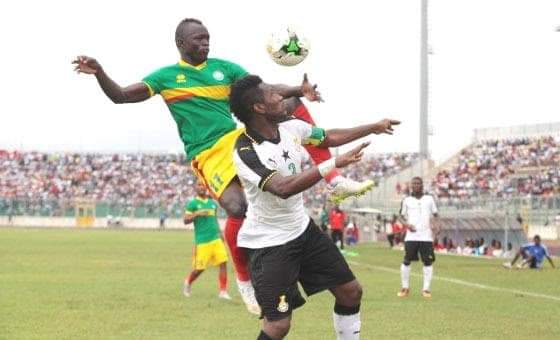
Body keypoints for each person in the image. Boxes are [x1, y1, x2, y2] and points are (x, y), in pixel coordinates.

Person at [73, 18, 373, 314]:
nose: (205, 43)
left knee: (291, 110)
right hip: (207, 152)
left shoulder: (224, 69)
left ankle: (333, 180)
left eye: (207, 39)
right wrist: (100, 72)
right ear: (181, 44)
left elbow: (264, 89)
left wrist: (297, 88)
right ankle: (244, 280)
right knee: (236, 207)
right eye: (198, 39)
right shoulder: (166, 77)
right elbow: (122, 96)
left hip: (238, 138)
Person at [229, 74, 400, 340]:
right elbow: (283, 188)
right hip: (269, 244)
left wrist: (373, 127)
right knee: (278, 326)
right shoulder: (246, 150)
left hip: (303, 231)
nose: (281, 96)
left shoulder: (290, 125)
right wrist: (332, 165)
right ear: (259, 108)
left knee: (351, 291)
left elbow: (327, 138)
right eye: (273, 93)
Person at [182, 182, 231, 300]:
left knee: (223, 262)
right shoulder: (193, 204)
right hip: (202, 241)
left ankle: (223, 291)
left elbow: (214, 219)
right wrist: (197, 213)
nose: (201, 187)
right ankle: (188, 282)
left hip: (215, 239)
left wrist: (220, 233)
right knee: (199, 268)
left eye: (203, 185)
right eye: (199, 185)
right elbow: (185, 220)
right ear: (196, 188)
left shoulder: (212, 203)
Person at [397, 177, 439, 298]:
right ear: (411, 186)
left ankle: (426, 289)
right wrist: (406, 225)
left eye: (418, 183)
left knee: (427, 262)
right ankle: (405, 288)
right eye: (413, 183)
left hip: (426, 237)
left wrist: (437, 226)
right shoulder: (406, 200)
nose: (416, 185)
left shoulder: (429, 199)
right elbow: (400, 216)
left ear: (422, 185)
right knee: (406, 261)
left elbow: (436, 215)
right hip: (411, 237)